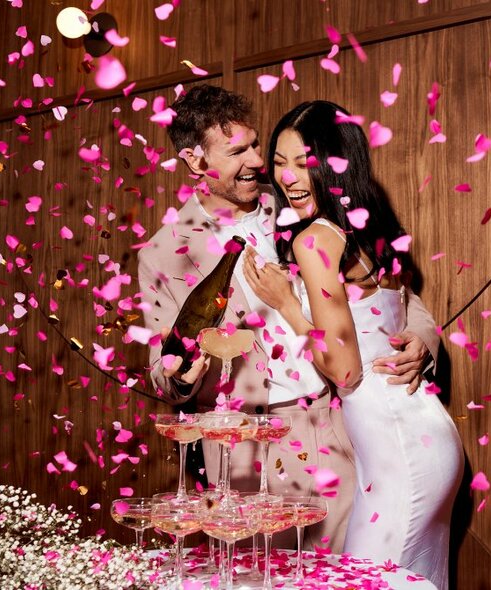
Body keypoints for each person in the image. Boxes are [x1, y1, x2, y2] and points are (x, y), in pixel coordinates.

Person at [137, 85, 442, 553]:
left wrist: (421, 338)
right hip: (239, 450)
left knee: (348, 574)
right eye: (237, 151)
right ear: (195, 162)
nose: (259, 162)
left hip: (332, 427)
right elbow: (163, 370)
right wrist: (183, 376)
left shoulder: (300, 201)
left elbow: (384, 285)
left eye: (256, 144)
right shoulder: (163, 252)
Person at [242, 100, 464, 589]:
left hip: (395, 446)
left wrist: (286, 303)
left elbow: (345, 372)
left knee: (367, 582)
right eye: (279, 162)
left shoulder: (315, 240)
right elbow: (391, 308)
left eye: (305, 162)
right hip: (423, 433)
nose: (288, 177)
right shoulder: (371, 226)